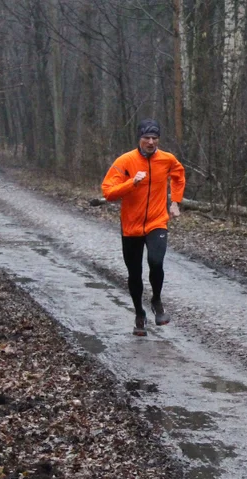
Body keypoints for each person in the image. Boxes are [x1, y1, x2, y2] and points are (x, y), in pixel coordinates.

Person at [101, 119, 186, 336]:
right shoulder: (125, 161)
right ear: (139, 138)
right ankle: (139, 312)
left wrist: (175, 202)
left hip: (157, 221)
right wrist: (132, 183)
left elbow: (179, 176)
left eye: (154, 138)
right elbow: (108, 192)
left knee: (155, 261)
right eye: (146, 138)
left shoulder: (167, 159)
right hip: (131, 225)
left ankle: (157, 300)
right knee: (134, 273)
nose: (150, 142)